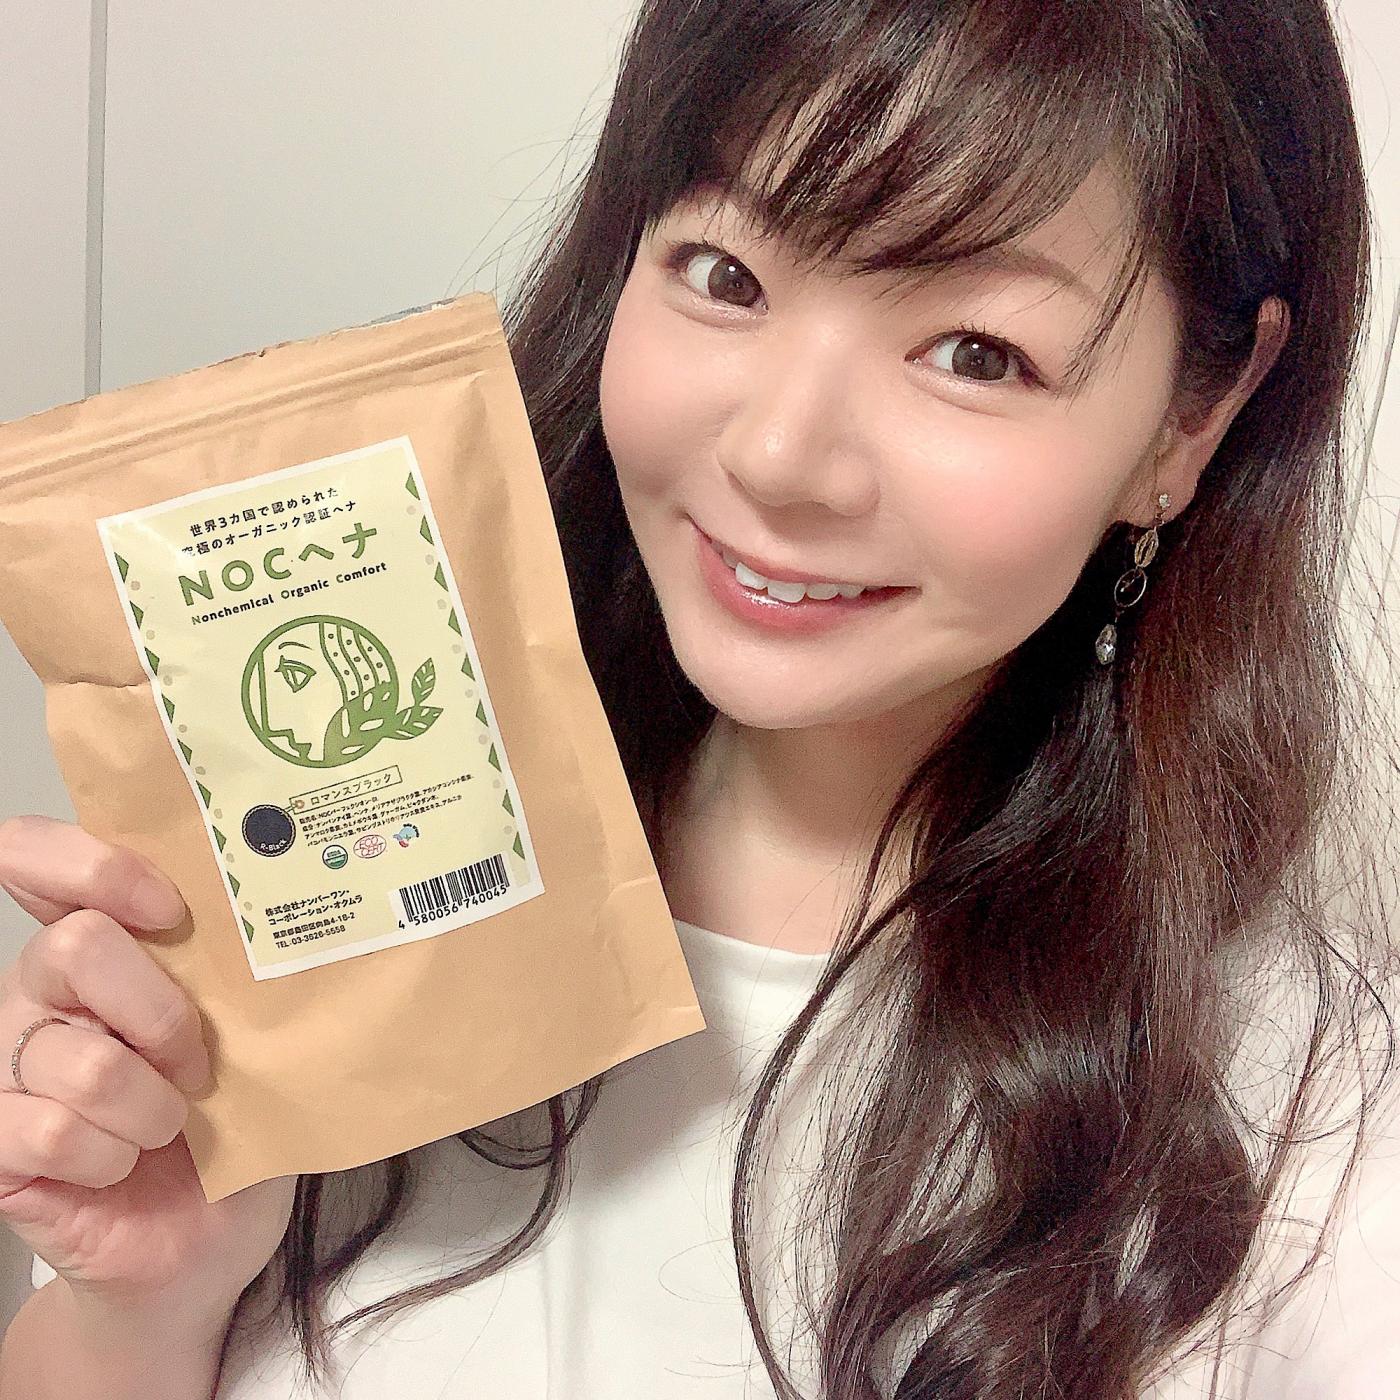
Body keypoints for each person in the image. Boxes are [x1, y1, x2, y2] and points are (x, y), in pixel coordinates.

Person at [1, 0, 1398, 1396]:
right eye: (726, 273)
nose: (780, 456)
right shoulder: (353, 892)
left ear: (1191, 421)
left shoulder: (1321, 1145)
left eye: (975, 352)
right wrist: (143, 1307)